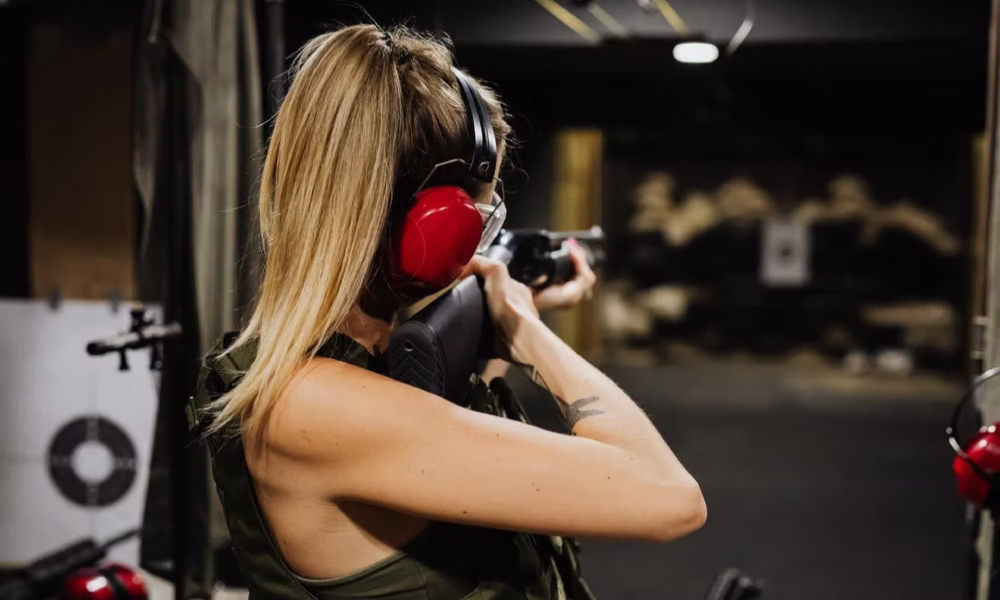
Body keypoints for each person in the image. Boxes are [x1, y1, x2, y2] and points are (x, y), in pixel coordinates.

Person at [192, 24, 706, 600]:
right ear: (439, 228)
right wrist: (527, 332)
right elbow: (669, 497)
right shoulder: (313, 406)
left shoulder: (345, 368)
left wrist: (499, 323)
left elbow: (448, 453)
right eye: (480, 218)